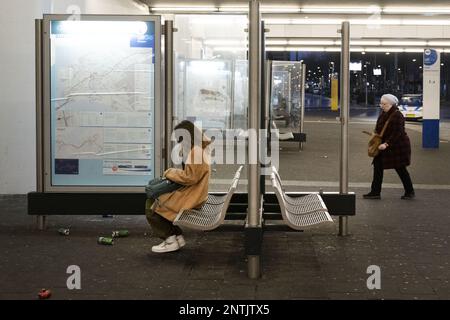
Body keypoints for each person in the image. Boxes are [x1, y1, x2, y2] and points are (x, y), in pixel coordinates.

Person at [145, 120, 211, 253]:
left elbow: (190, 177)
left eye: (180, 139)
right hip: (194, 193)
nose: (179, 143)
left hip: (192, 195)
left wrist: (170, 172)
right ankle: (177, 237)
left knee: (152, 205)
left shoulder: (196, 152)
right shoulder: (199, 149)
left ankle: (170, 240)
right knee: (157, 200)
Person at [363, 94, 415, 200]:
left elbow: (398, 133)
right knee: (377, 167)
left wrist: (387, 144)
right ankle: (375, 192)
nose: (381, 105)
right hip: (384, 145)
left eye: (384, 104)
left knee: (400, 168)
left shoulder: (397, 115)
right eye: (381, 103)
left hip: (397, 146)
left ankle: (410, 191)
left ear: (391, 104)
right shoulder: (384, 113)